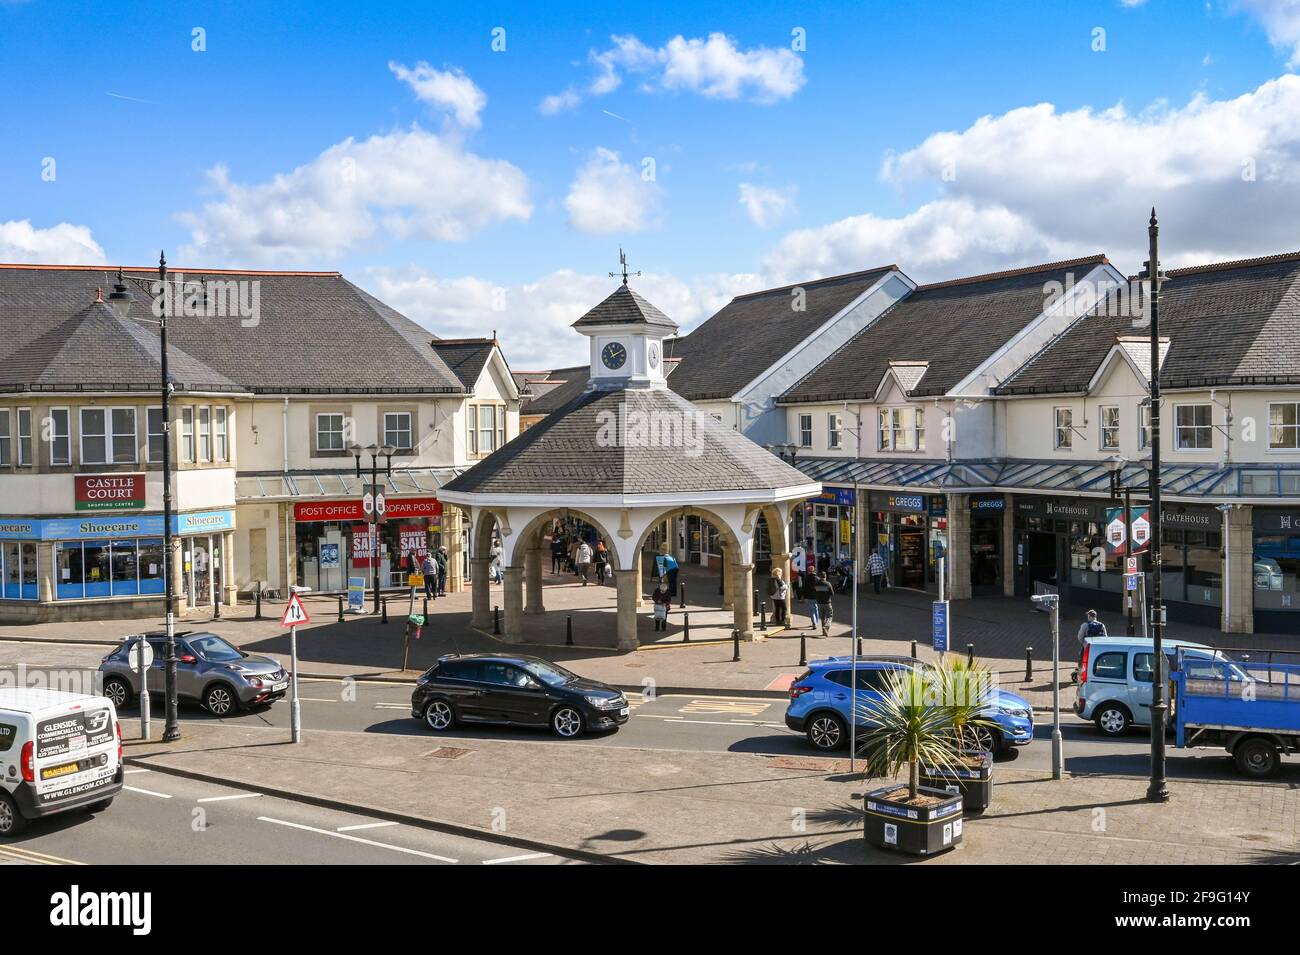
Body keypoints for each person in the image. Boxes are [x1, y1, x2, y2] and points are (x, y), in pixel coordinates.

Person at [807, 571, 835, 637]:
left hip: (819, 603)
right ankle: (826, 627)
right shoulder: (828, 584)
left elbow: (815, 592)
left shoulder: (816, 584)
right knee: (829, 616)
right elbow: (832, 594)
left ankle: (824, 632)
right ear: (825, 577)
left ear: (820, 577)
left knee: (822, 617)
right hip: (827, 602)